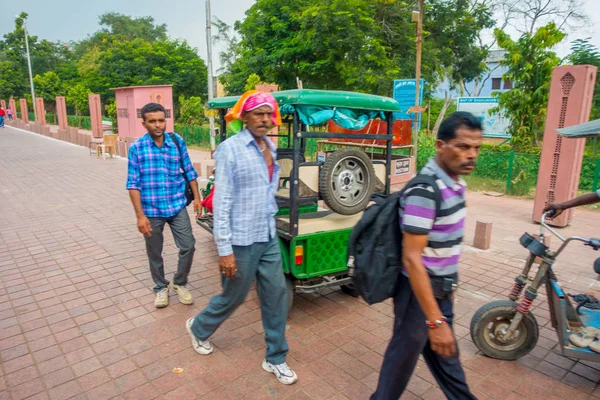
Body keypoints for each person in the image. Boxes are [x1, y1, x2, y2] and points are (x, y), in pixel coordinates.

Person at [186, 90, 298, 385]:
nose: (264, 119)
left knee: (276, 295)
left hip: (267, 235)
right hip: (239, 240)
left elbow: (266, 193)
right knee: (233, 296)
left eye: (268, 113)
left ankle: (276, 357)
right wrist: (225, 249)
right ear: (244, 117)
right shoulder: (230, 149)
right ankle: (199, 327)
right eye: (258, 113)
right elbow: (221, 201)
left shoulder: (271, 149)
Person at [371, 112, 483, 400]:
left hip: (437, 293)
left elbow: (444, 247)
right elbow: (412, 258)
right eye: (462, 146)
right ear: (440, 145)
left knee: (448, 365)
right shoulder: (425, 190)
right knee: (400, 366)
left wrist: (449, 289)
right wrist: (434, 320)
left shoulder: (455, 184)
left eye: (476, 148)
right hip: (418, 298)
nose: (471, 154)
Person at [126, 102, 201, 308]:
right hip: (151, 210)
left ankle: (179, 282)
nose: (158, 125)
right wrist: (140, 216)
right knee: (154, 252)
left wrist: (197, 197)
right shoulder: (137, 148)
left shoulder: (177, 142)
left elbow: (189, 170)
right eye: (152, 121)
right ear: (144, 123)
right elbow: (133, 184)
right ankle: (160, 287)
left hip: (176, 206)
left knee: (188, 246)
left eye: (161, 120)